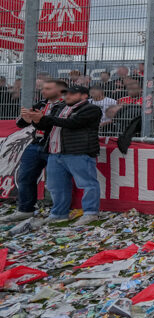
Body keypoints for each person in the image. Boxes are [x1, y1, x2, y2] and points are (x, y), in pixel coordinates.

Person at [24, 84, 102, 225]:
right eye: (66, 93)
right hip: (55, 153)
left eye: (72, 94)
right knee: (56, 186)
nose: (68, 96)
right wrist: (36, 120)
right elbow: (46, 126)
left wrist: (45, 118)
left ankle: (91, 213)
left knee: (87, 184)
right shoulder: (59, 108)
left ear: (84, 96)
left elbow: (74, 123)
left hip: (79, 152)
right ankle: (59, 213)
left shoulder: (92, 109)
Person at [6, 79, 67, 221]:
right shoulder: (41, 104)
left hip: (54, 146)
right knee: (25, 177)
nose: (43, 91)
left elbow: (59, 124)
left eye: (47, 88)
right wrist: (26, 119)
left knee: (56, 182)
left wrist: (37, 120)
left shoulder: (66, 106)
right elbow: (21, 123)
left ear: (59, 91)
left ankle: (58, 212)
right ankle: (25, 209)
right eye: (43, 88)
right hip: (35, 144)